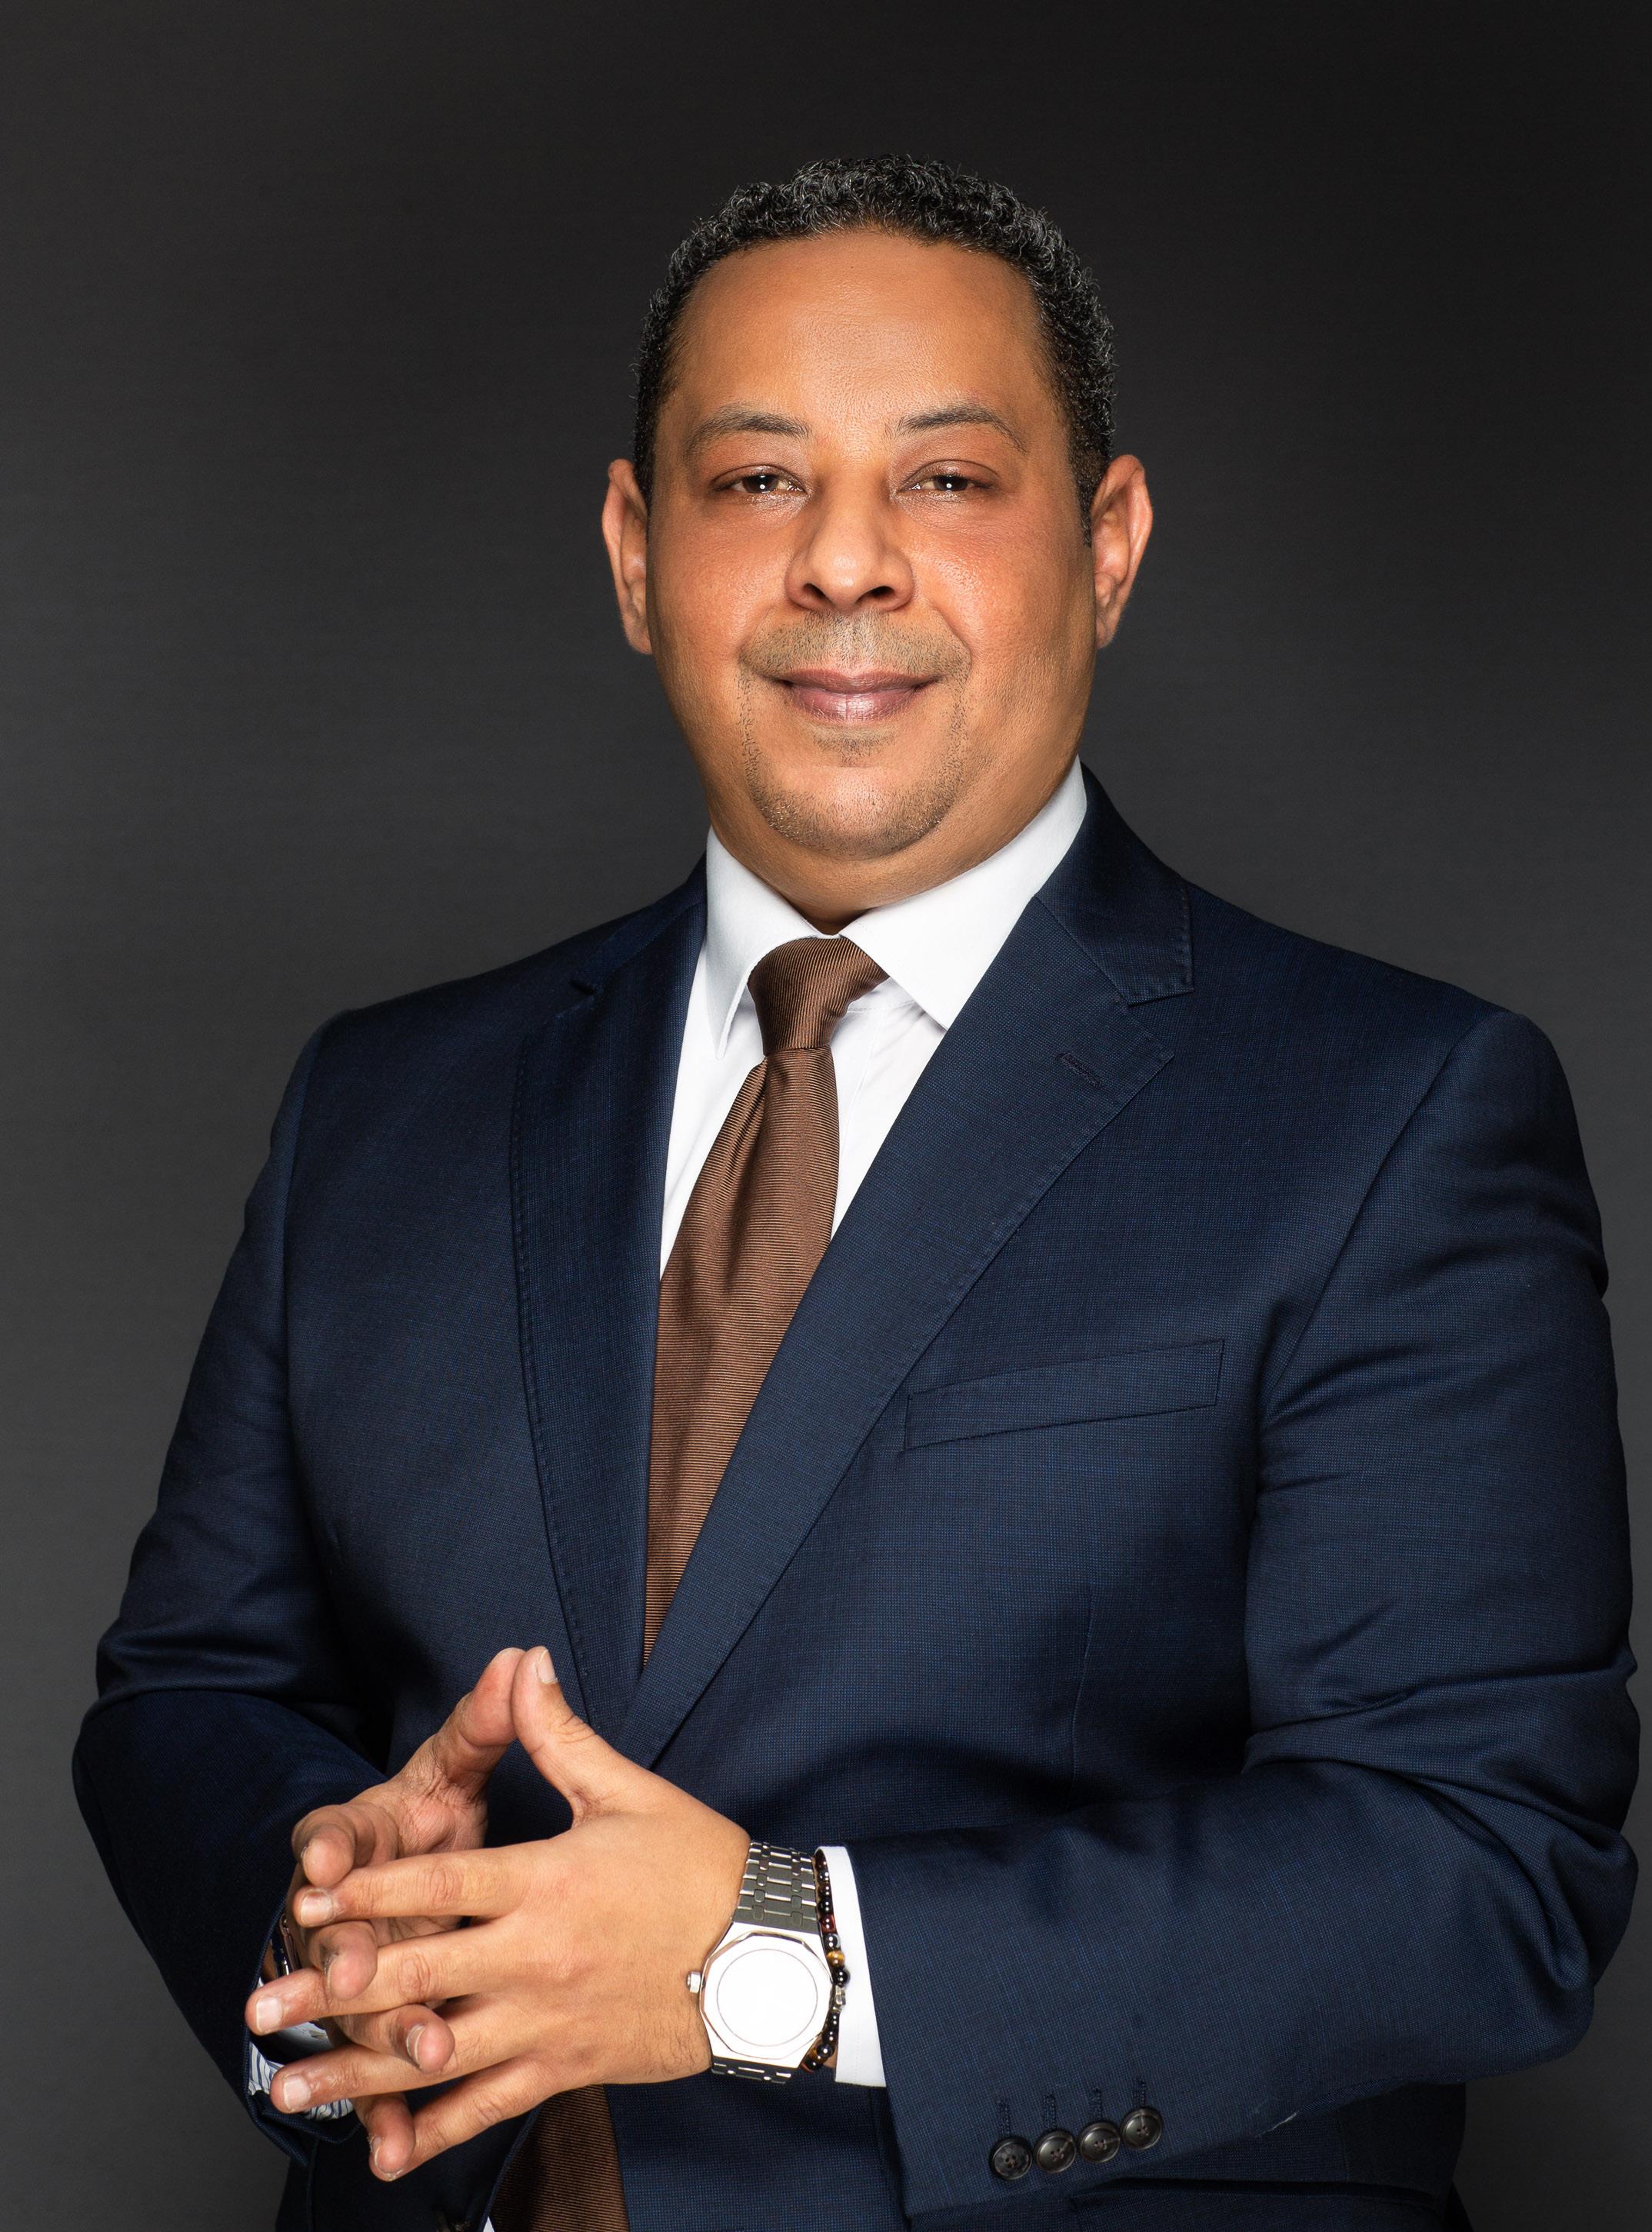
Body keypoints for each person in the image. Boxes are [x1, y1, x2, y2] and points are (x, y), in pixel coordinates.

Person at [76, 156, 1635, 2232]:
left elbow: (1478, 1869)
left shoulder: (1390, 1116)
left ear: (1107, 545)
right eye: (754, 482)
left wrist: (771, 1956)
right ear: (637, 556)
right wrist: (336, 1912)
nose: (842, 563)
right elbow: (190, 1691)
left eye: (946, 480)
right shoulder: (383, 1105)